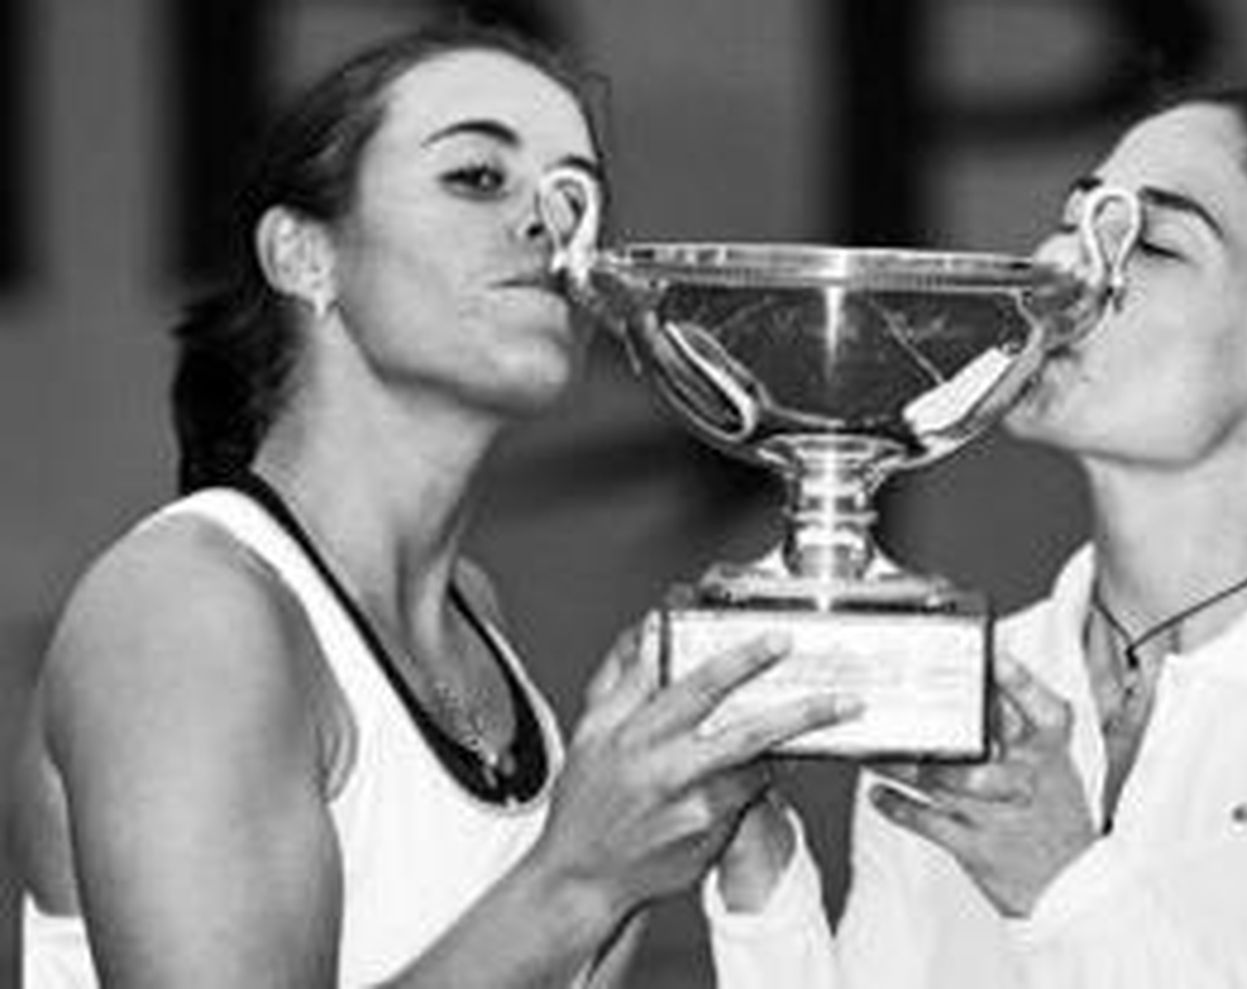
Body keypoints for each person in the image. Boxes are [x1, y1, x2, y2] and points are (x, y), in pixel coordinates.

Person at [7, 21, 854, 988]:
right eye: (478, 177)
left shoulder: (472, 615)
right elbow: (555, 899)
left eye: (574, 196)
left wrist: (663, 822)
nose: (552, 229)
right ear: (303, 255)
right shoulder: (186, 610)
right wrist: (581, 875)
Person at [702, 84, 1247, 987]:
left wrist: (1062, 885)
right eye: (1072, 224)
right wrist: (757, 881)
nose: (1063, 272)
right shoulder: (969, 680)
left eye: (1152, 244)